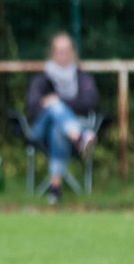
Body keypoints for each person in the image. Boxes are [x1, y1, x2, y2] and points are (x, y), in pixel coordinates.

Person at [25, 33, 99, 204]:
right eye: (59, 51)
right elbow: (32, 106)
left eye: (66, 50)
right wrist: (53, 105)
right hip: (40, 132)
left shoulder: (83, 78)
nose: (63, 55)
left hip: (61, 131)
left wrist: (59, 100)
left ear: (73, 52)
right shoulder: (41, 79)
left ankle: (55, 188)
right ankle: (80, 137)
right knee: (55, 109)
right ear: (52, 53)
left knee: (58, 128)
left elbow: (89, 102)